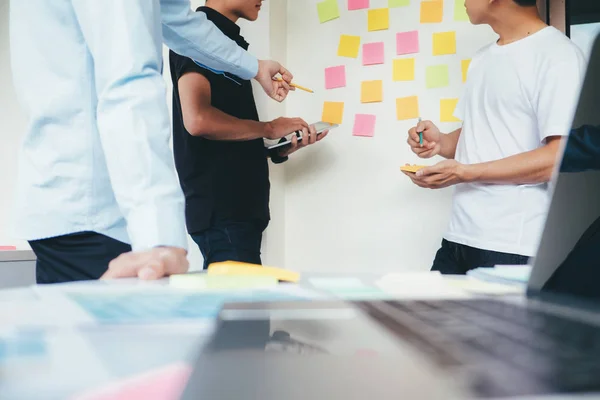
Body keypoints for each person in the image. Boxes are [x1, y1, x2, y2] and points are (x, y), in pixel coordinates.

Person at [9, 0, 295, 283]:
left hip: (68, 202)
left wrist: (254, 67)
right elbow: (129, 82)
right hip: (94, 210)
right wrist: (158, 237)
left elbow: (179, 22)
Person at [403, 0, 586, 274]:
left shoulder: (559, 56)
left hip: (512, 246)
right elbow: (480, 136)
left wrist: (465, 173)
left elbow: (555, 159)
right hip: (458, 238)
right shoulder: (482, 58)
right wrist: (440, 141)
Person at [170, 2, 327, 269]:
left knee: (241, 308)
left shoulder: (230, 44)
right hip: (222, 213)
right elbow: (197, 120)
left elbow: (228, 133)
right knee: (241, 308)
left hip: (239, 214)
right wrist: (267, 128)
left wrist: (277, 147)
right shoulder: (196, 37)